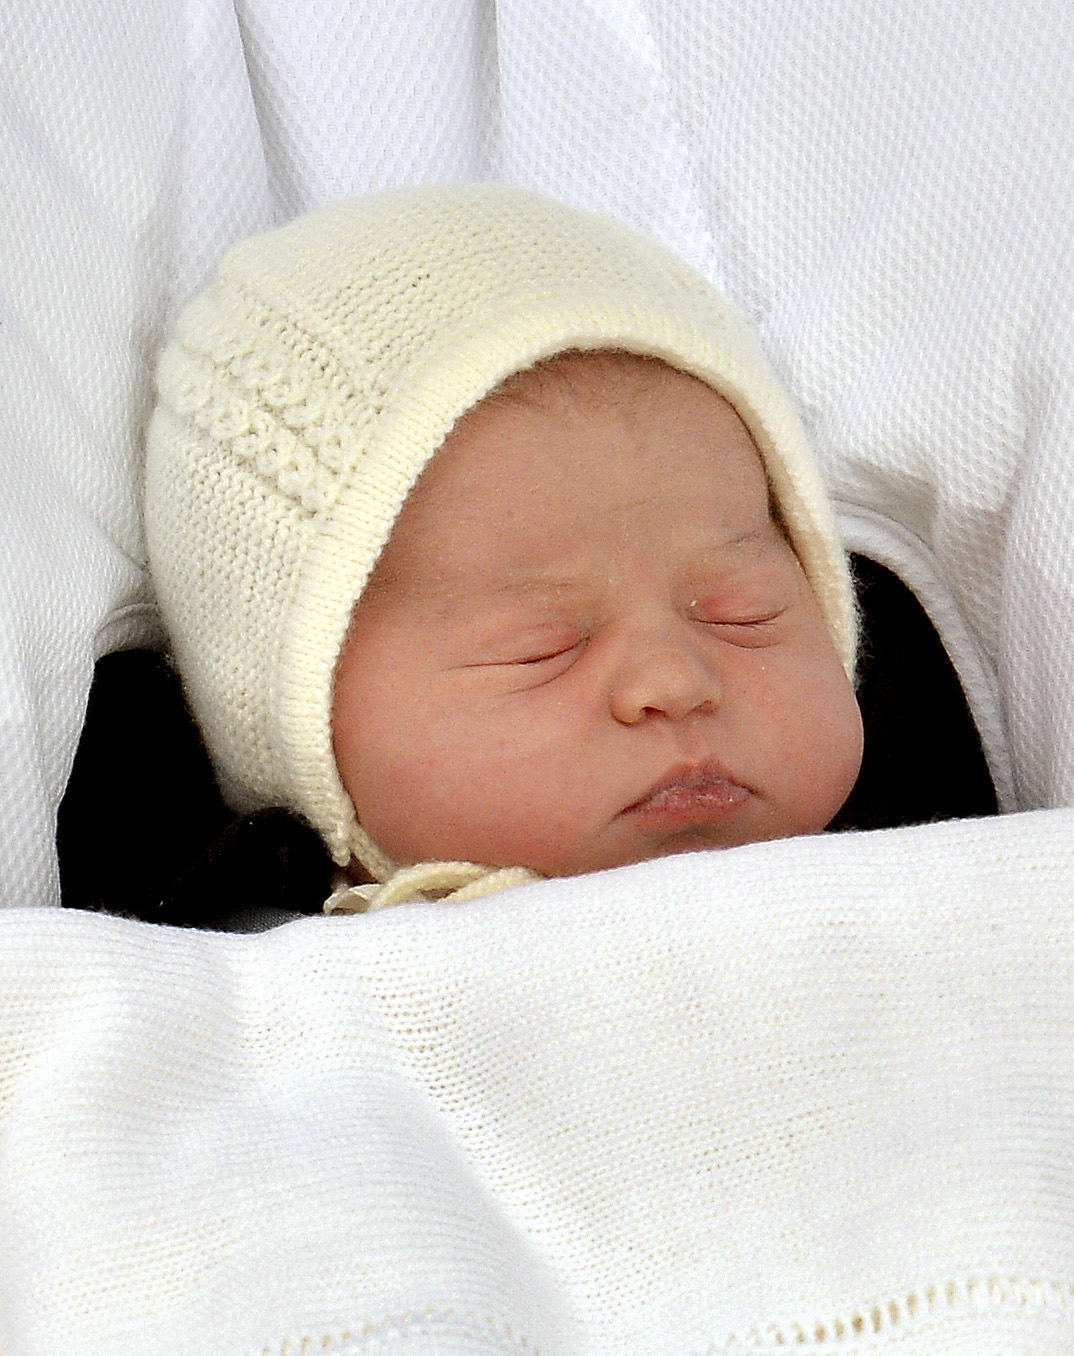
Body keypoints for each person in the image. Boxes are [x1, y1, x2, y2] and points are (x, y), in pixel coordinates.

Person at [145, 183, 862, 912]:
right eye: (541, 648)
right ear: (302, 730)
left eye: (744, 612)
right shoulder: (238, 995)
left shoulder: (950, 869)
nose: (675, 683)